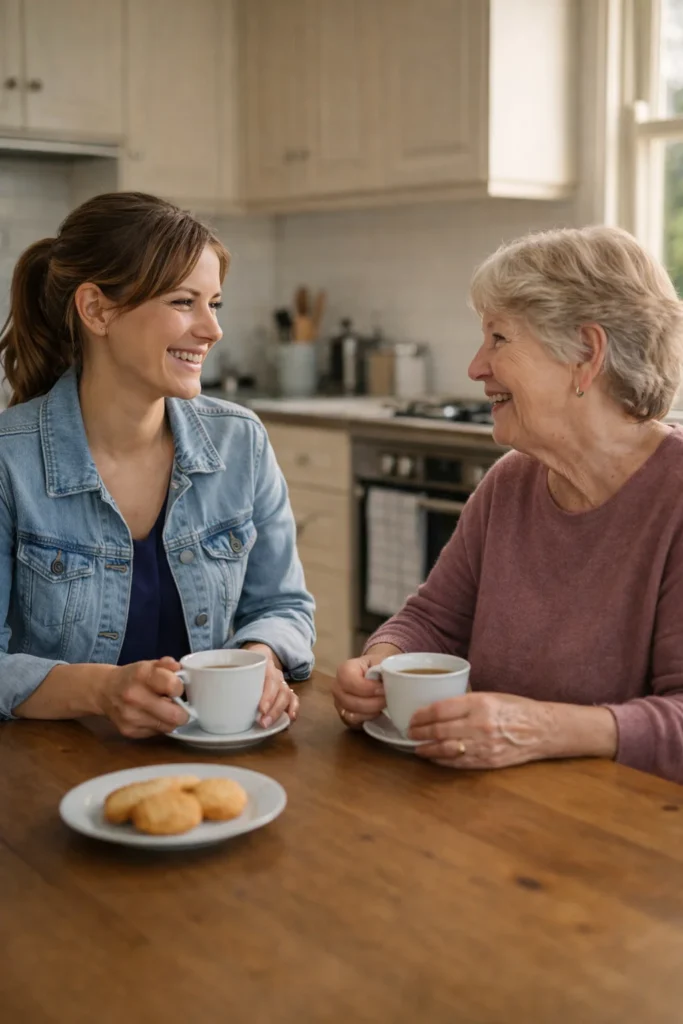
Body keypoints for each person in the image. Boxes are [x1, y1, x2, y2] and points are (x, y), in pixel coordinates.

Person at [334, 225, 683, 783]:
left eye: (499, 338)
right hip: (497, 808)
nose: (476, 367)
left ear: (586, 355)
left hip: (630, 839)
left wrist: (540, 728)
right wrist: (382, 663)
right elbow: (433, 619)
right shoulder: (511, 483)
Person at [0, 191, 314, 736]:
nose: (212, 330)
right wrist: (103, 691)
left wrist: (264, 656)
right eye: (182, 302)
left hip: (215, 761)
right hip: (51, 773)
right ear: (96, 309)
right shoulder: (10, 460)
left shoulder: (241, 442)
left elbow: (283, 604)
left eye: (214, 304)